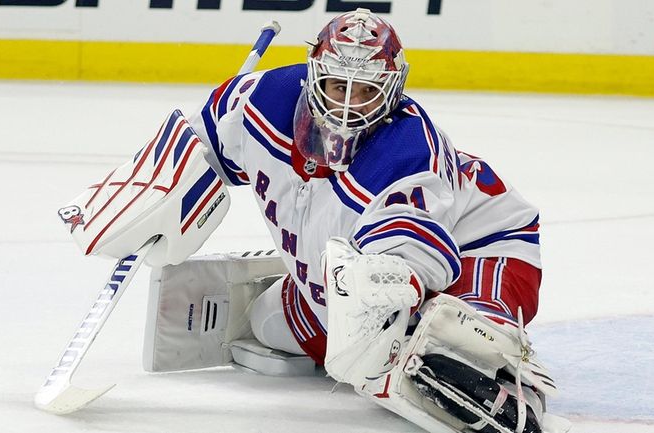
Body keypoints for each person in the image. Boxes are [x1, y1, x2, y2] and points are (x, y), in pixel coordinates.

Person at [185, 8, 567, 433]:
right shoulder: (259, 100)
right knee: (269, 324)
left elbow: (402, 268)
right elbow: (189, 151)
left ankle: (513, 384)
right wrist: (153, 193)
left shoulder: (407, 151)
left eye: (364, 91)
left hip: (481, 246)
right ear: (313, 77)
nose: (346, 105)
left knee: (450, 343)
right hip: (358, 253)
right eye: (335, 86)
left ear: (391, 91)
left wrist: (385, 331)